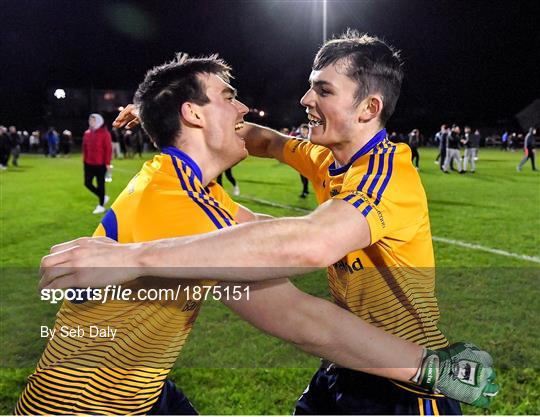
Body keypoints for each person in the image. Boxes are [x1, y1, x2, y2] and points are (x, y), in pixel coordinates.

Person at [41, 34, 498, 414]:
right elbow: (266, 153)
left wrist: (166, 116)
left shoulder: (385, 171)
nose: (304, 100)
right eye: (230, 98)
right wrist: (165, 111)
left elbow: (306, 241)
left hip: (397, 372)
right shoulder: (308, 163)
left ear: (368, 107)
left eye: (323, 90)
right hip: (105, 401)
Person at [82, 113, 112, 214]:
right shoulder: (87, 133)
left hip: (101, 164)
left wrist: (107, 163)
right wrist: (84, 161)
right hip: (88, 163)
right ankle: (103, 196)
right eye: (90, 120)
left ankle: (101, 205)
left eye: (93, 120)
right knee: (87, 183)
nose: (91, 122)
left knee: (101, 185)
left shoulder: (105, 133)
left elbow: (108, 149)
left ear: (99, 121)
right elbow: (84, 148)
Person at [298, 123, 310, 197]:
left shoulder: (311, 138)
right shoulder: (298, 138)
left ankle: (305, 191)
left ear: (308, 130)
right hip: (301, 161)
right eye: (302, 130)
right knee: (303, 177)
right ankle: (305, 190)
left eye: (304, 130)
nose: (303, 131)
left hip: (310, 161)